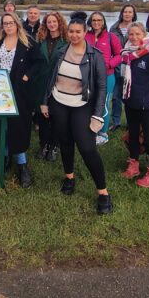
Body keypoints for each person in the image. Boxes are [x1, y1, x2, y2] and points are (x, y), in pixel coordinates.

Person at [40, 18, 111, 214]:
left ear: (85, 31)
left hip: (81, 106)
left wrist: (97, 115)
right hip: (59, 103)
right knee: (65, 142)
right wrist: (45, 101)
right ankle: (69, 177)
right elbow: (51, 77)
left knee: (87, 148)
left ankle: (103, 192)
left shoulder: (94, 56)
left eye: (78, 31)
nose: (74, 35)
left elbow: (102, 87)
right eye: (71, 31)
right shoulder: (62, 51)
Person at [0, 12, 44, 188]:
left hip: (19, 91)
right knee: (2, 126)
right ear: (2, 26)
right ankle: (4, 159)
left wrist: (27, 75)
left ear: (17, 24)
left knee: (18, 127)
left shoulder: (28, 42)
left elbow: (39, 63)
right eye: (5, 23)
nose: (8, 26)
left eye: (11, 22)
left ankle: (22, 165)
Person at [120, 22, 149, 188]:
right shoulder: (127, 54)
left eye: (137, 34)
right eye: (131, 34)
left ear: (144, 35)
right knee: (133, 134)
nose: (133, 37)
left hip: (146, 104)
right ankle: (133, 165)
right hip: (130, 102)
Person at [33, 12, 67, 162]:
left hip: (59, 83)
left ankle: (54, 146)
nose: (51, 24)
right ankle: (44, 144)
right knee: (42, 116)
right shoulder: (41, 40)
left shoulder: (66, 41)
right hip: (40, 83)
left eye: (54, 22)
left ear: (59, 23)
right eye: (49, 22)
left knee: (56, 116)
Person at [86, 11, 122, 145]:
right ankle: (91, 129)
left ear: (103, 22)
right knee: (89, 103)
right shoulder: (85, 35)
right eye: (94, 20)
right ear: (90, 22)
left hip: (106, 76)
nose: (96, 22)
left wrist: (109, 64)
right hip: (88, 76)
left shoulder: (111, 37)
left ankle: (103, 133)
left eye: (99, 20)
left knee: (103, 105)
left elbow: (120, 55)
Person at [109, 3, 137, 131]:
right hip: (117, 65)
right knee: (116, 95)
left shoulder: (138, 28)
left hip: (132, 66)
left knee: (131, 95)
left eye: (130, 12)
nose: (127, 14)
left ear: (133, 14)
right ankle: (116, 121)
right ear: (122, 13)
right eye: (125, 12)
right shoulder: (114, 28)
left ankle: (133, 123)